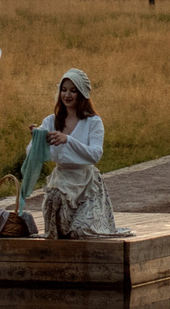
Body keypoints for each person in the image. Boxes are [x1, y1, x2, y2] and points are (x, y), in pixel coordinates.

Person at [37, 68, 127, 239]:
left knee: (81, 231)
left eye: (73, 90)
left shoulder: (93, 122)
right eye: (64, 90)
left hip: (86, 183)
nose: (67, 95)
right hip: (62, 181)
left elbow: (95, 155)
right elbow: (33, 152)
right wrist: (37, 138)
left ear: (82, 93)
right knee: (58, 232)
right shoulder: (51, 121)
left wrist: (68, 140)